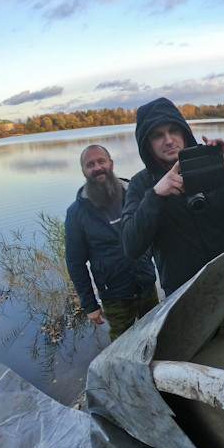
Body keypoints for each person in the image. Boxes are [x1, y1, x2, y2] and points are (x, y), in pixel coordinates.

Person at [122, 97, 224, 296]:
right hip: (185, 294)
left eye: (174, 131)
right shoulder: (141, 185)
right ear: (147, 143)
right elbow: (131, 247)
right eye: (157, 135)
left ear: (184, 131)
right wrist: (156, 195)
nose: (169, 140)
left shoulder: (210, 163)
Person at [65, 145, 158, 340]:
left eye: (101, 161)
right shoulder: (76, 213)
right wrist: (90, 305)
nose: (97, 167)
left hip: (147, 284)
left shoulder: (133, 193)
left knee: (156, 335)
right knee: (121, 347)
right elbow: (75, 262)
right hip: (115, 296)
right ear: (83, 171)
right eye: (90, 164)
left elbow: (156, 231)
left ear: (111, 163)